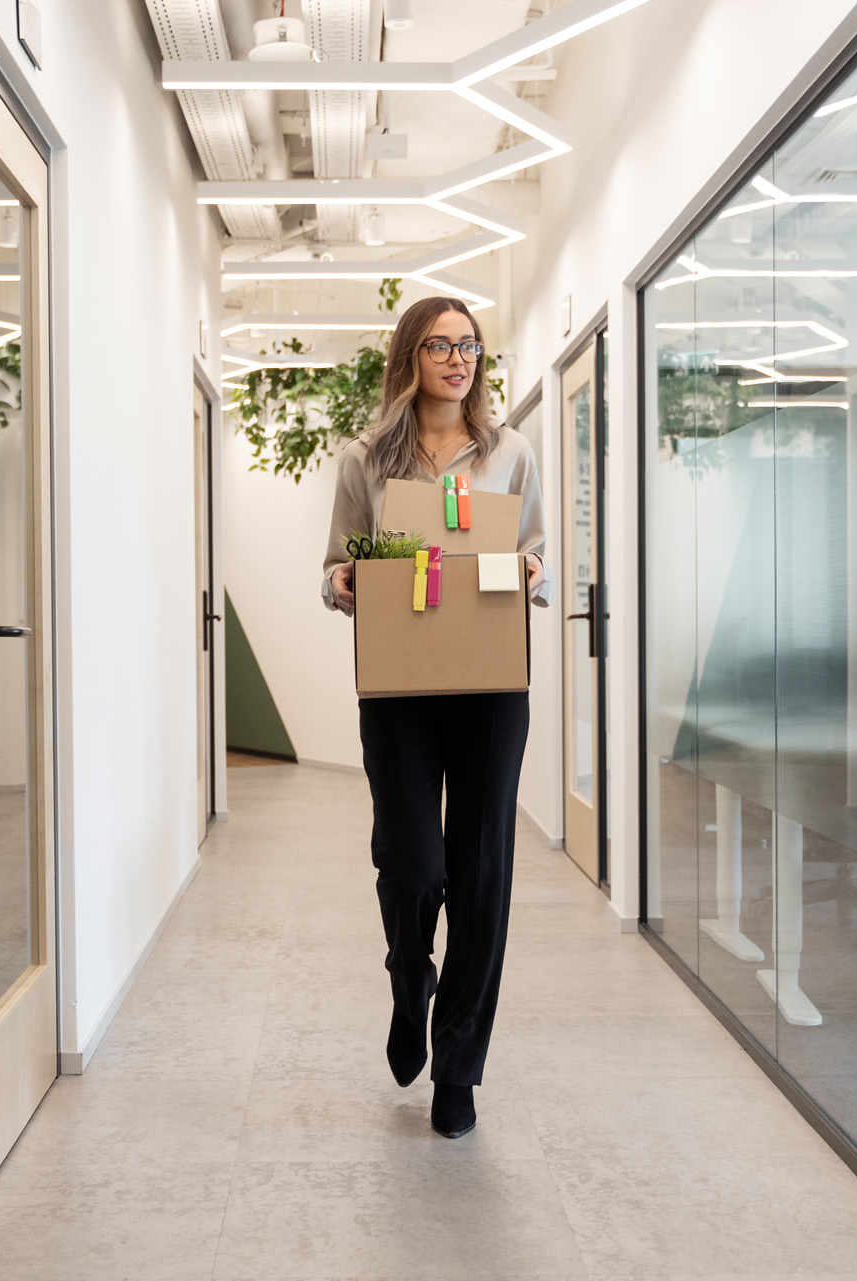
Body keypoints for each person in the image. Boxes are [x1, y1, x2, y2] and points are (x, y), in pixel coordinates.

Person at [321, 295, 549, 1138]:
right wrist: (342, 582)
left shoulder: (512, 453)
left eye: (469, 345)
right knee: (413, 864)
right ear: (410, 355)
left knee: (482, 875)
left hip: (491, 686)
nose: (459, 358)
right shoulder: (367, 461)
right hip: (400, 687)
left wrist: (530, 572)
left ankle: (458, 1068)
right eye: (440, 344)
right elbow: (336, 564)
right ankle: (407, 974)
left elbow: (538, 556)